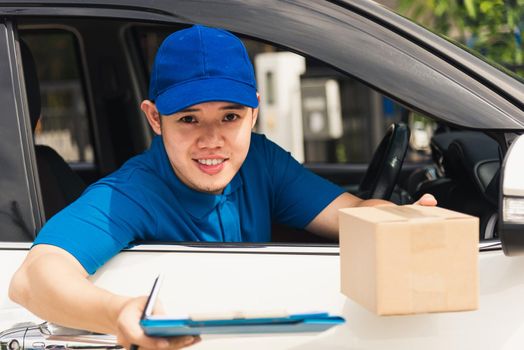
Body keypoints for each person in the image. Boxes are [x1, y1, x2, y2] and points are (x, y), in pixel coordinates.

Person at [9, 25, 437, 349]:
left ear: (254, 114)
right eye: (189, 119)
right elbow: (32, 278)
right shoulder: (132, 191)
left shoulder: (262, 162)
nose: (211, 139)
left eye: (230, 117)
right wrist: (118, 311)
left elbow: (352, 215)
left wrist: (407, 218)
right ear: (155, 119)